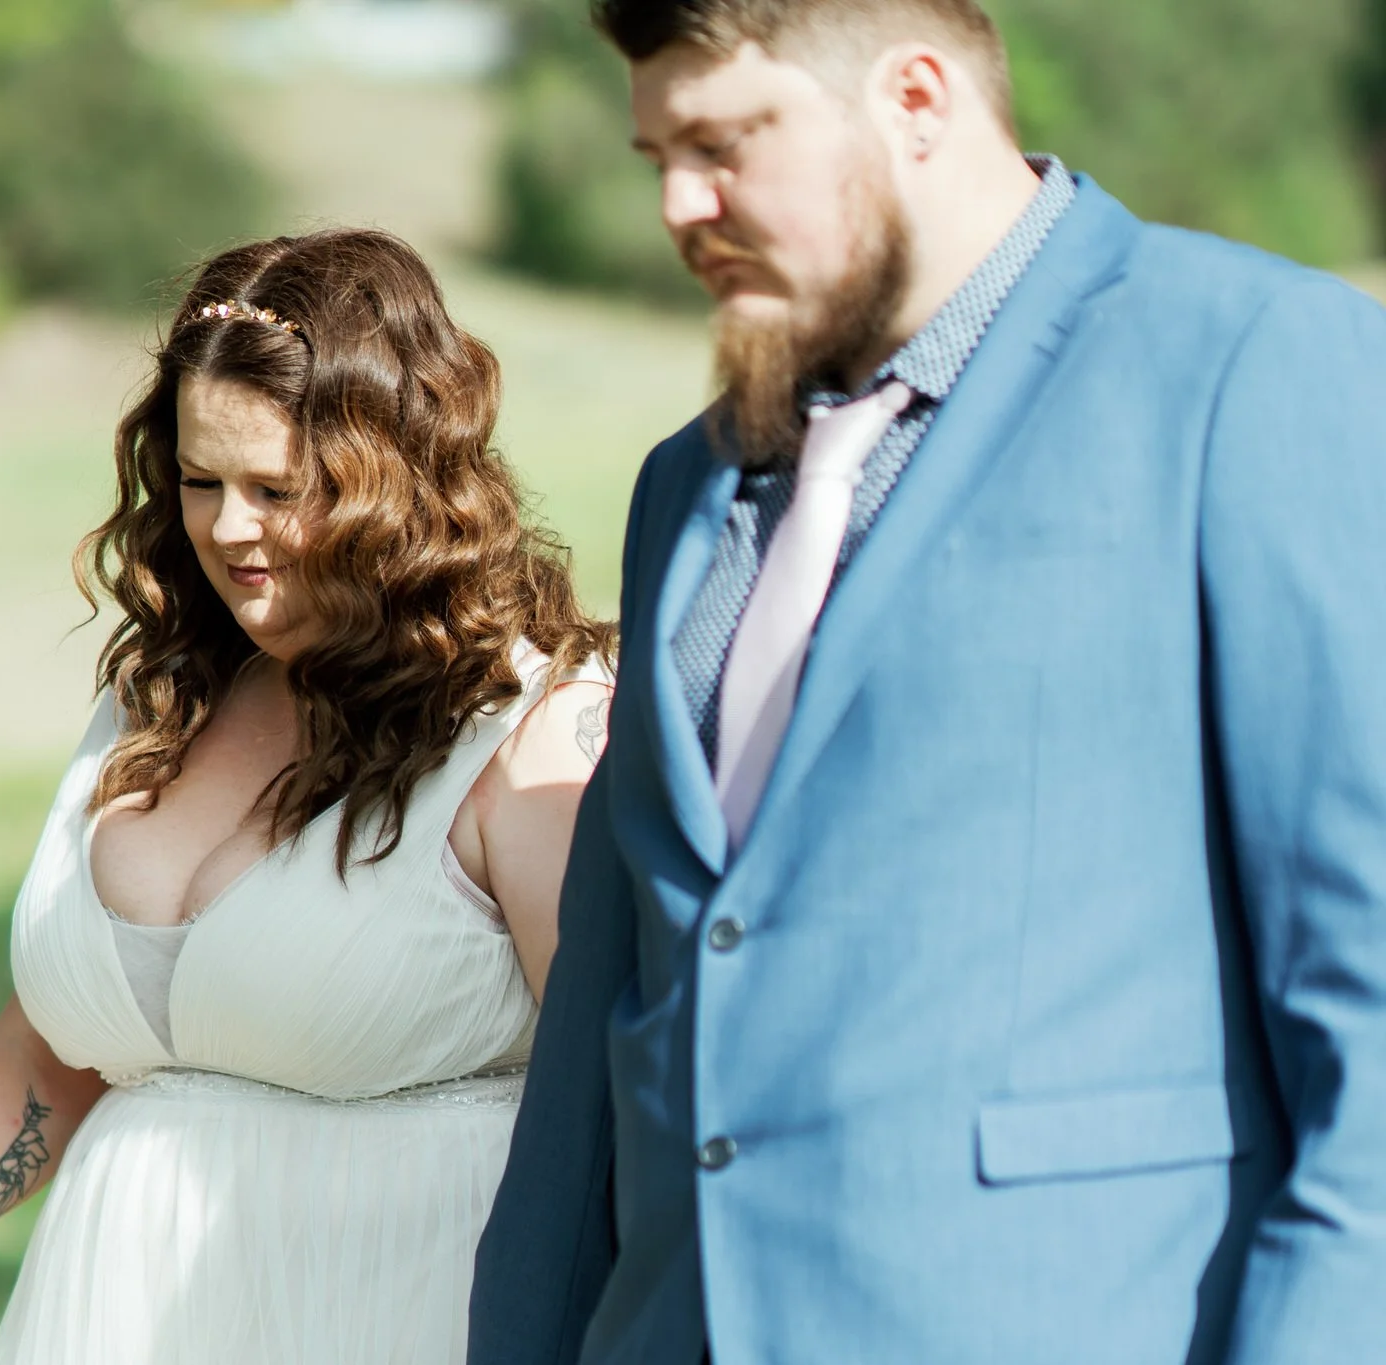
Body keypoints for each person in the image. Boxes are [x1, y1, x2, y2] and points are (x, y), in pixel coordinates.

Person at [468, 2, 1386, 1363]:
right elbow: (607, 1027)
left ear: (916, 99)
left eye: (723, 143)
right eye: (655, 151)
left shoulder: (1252, 365)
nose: (678, 202)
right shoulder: (686, 480)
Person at [0, 227, 616, 1365]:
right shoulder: (164, 700)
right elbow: (56, 1052)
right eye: (199, 481)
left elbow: (606, 1110)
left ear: (393, 479)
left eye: (277, 488)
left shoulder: (525, 729)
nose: (229, 529)